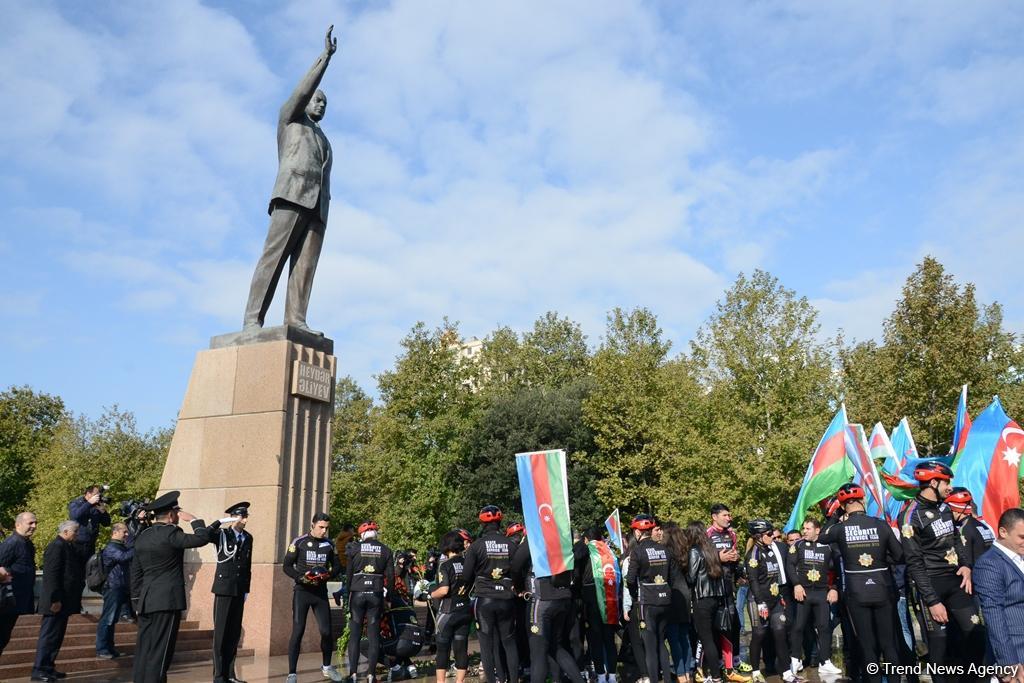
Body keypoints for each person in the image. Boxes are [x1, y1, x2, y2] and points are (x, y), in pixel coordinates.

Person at [243, 26, 337, 334]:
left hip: (318, 207)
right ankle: (252, 320)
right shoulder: (289, 119)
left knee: (305, 269)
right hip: (292, 195)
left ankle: (296, 319)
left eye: (325, 103)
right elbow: (302, 92)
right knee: (273, 257)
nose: (320, 105)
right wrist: (325, 58)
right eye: (317, 100)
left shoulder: (325, 140)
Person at [899, 461, 986, 682]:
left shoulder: (945, 507)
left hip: (956, 582)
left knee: (975, 635)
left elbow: (956, 539)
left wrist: (966, 565)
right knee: (939, 645)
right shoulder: (910, 516)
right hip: (931, 585)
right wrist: (931, 601)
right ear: (933, 483)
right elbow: (914, 562)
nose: (950, 487)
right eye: (946, 482)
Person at [819, 483, 904, 683]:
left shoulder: (840, 529)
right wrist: (881, 559)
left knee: (867, 646)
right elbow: (900, 555)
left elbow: (822, 537)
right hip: (882, 588)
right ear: (863, 500)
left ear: (842, 506)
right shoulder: (880, 524)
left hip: (857, 592)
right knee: (889, 644)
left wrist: (834, 516)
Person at [130, 491, 218, 683]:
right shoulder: (171, 533)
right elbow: (201, 539)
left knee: (144, 647)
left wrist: (136, 601)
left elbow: (135, 573)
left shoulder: (143, 536)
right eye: (176, 513)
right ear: (171, 515)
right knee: (161, 650)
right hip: (167, 601)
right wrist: (194, 520)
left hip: (146, 600)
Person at [511, 524, 584, 683]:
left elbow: (516, 564)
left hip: (541, 599)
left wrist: (518, 586)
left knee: (538, 652)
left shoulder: (536, 535)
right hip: (563, 597)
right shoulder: (562, 536)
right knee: (556, 647)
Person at [461, 505, 519, 683]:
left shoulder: (476, 546)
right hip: (507, 599)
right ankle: (513, 679)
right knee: (509, 643)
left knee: (486, 645)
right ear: (500, 522)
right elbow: (518, 570)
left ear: (482, 524)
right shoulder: (511, 545)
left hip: (484, 599)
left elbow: (466, 576)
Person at [283, 512, 342, 683]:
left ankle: (327, 667)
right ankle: (292, 673)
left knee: (326, 631)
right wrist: (300, 577)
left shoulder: (329, 544)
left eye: (326, 528)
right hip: (302, 592)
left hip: (320, 593)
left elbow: (337, 566)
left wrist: (328, 575)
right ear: (313, 525)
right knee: (298, 631)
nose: (324, 531)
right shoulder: (299, 542)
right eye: (321, 527)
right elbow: (287, 566)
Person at [743, 519, 800, 683]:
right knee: (759, 634)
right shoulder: (753, 554)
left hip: (775, 600)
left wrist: (780, 597)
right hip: (758, 601)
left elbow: (775, 577)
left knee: (780, 633)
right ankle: (755, 672)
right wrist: (760, 602)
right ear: (759, 536)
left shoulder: (770, 550)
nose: (772, 537)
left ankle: (787, 672)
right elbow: (753, 581)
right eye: (769, 534)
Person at [784, 518, 840, 676]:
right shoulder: (798, 545)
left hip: (822, 593)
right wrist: (796, 584)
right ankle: (795, 660)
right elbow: (790, 565)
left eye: (808, 529)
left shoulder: (828, 546)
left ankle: (825, 661)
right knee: (799, 626)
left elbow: (836, 569)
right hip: (804, 592)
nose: (804, 531)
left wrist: (834, 588)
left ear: (817, 530)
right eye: (804, 528)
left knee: (824, 627)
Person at [624, 513, 675, 683]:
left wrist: (634, 595)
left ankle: (653, 680)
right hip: (665, 601)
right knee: (661, 643)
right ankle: (667, 679)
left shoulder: (637, 552)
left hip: (647, 602)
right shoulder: (665, 550)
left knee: (650, 646)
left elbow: (630, 580)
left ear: (638, 532)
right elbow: (672, 577)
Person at [973, 507, 1024, 673]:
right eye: (1022, 537)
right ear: (1003, 532)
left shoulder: (1019, 556)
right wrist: (1009, 663)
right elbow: (994, 615)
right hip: (1016, 652)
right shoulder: (990, 564)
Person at [31, 520, 83, 682]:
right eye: (75, 531)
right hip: (55, 602)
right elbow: (52, 575)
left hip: (64, 601)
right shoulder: (56, 546)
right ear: (65, 532)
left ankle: (48, 667)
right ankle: (39, 669)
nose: (77, 535)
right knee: (49, 636)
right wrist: (55, 599)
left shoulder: (67, 546)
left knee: (56, 636)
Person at [207, 502, 253, 683]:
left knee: (233, 633)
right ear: (233, 517)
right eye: (242, 516)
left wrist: (247, 588)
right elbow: (205, 535)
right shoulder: (222, 534)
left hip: (239, 588)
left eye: (246, 516)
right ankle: (219, 676)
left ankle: (230, 674)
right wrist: (220, 521)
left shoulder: (248, 537)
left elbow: (247, 564)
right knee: (221, 634)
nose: (245, 520)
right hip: (224, 588)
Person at [706, 504, 749, 681]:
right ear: (714, 517)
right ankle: (717, 664)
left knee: (733, 624)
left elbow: (734, 557)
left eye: (729, 515)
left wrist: (737, 565)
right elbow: (700, 559)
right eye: (725, 515)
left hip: (728, 585)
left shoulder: (732, 534)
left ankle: (734, 662)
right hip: (711, 586)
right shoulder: (707, 534)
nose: (728, 518)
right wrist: (718, 558)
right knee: (715, 627)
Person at [574, 526, 620, 683]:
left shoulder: (587, 549)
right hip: (610, 597)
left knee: (596, 638)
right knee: (609, 638)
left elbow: (576, 559)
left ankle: (601, 675)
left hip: (591, 597)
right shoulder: (609, 551)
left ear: (587, 539)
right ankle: (612, 676)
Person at [430, 531, 473, 683]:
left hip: (448, 611)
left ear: (446, 546)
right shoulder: (468, 563)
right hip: (465, 609)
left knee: (443, 649)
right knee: (461, 649)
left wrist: (430, 594)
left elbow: (444, 590)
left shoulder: (445, 565)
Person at [0, 511, 37, 657]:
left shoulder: (28, 544)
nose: (34, 526)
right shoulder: (12, 543)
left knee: (4, 637)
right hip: (5, 602)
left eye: (35, 523)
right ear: (18, 525)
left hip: (15, 602)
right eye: (30, 523)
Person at [661, 522, 694, 683]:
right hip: (685, 594)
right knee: (684, 637)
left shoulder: (665, 552)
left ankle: (680, 673)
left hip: (672, 594)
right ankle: (687, 672)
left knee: (674, 639)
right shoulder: (684, 551)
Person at [95, 521, 133, 659]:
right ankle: (102, 649)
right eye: (124, 532)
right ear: (115, 532)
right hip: (113, 586)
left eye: (127, 532)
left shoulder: (121, 546)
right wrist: (137, 547)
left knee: (113, 619)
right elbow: (123, 557)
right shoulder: (111, 547)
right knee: (108, 618)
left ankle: (109, 648)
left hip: (120, 586)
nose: (126, 534)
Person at [68, 485, 112, 576]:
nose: (98, 496)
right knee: (76, 571)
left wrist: (103, 511)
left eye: (99, 494)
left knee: (89, 571)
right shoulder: (77, 503)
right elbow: (75, 516)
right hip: (77, 543)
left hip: (90, 544)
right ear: (88, 494)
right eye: (96, 494)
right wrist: (88, 503)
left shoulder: (96, 505)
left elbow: (107, 523)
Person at [946, 487, 995, 567]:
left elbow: (966, 562)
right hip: (990, 570)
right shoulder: (983, 526)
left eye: (949, 510)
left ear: (957, 511)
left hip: (977, 572)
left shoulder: (964, 529)